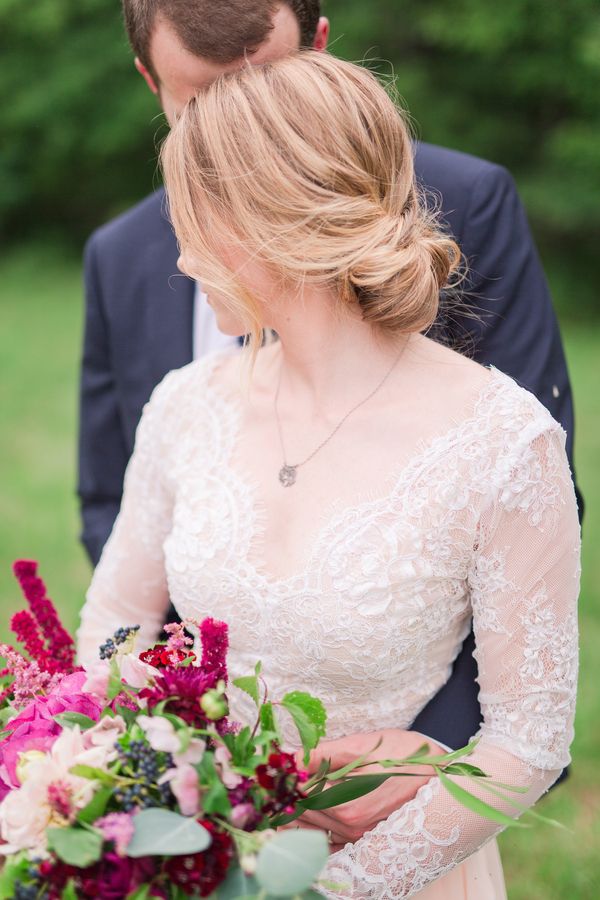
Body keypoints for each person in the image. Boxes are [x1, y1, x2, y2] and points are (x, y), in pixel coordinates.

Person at [78, 0, 580, 849]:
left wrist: (340, 874)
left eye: (197, 226)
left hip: (401, 844)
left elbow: (530, 727)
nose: (179, 256)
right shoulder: (186, 401)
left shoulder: (499, 436)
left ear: (268, 223)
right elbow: (113, 624)